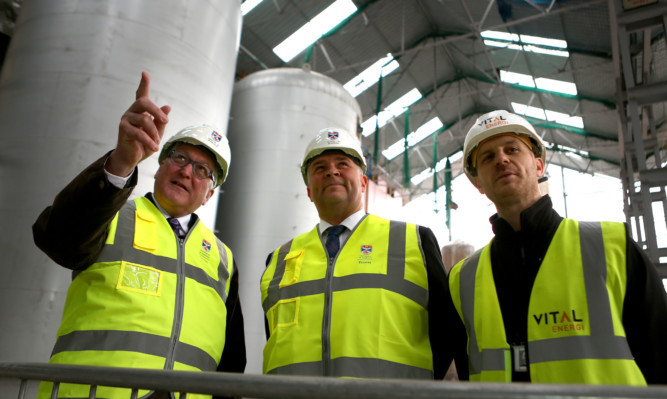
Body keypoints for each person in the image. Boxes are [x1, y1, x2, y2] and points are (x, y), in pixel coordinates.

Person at [33, 72, 246, 399]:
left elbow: (232, 361)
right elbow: (57, 239)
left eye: (203, 170)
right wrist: (120, 162)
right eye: (180, 158)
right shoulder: (111, 213)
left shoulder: (223, 260)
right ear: (159, 166)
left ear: (209, 195)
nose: (187, 171)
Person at [444, 109, 667, 384]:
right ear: (477, 183)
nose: (501, 159)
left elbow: (660, 352)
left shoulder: (612, 246)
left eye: (512, 149)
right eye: (488, 157)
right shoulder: (462, 279)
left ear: (539, 166)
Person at [260, 127, 450, 379]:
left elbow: (447, 331)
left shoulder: (414, 241)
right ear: (308, 191)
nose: (331, 171)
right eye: (319, 168)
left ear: (363, 182)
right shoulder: (279, 259)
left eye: (343, 164)